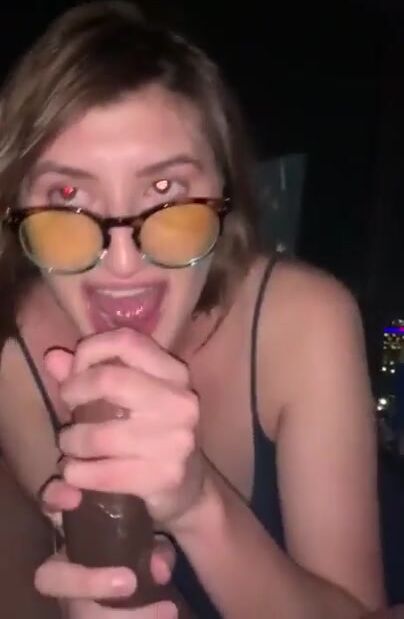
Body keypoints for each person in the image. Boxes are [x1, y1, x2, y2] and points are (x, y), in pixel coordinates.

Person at [0, 2, 385, 618]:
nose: (121, 261)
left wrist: (200, 506)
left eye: (164, 190)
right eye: (67, 195)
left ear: (223, 194)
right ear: (15, 210)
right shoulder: (20, 361)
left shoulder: (306, 323)